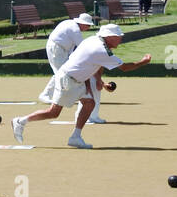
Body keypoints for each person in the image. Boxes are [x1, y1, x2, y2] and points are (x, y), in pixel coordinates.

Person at [12, 24, 151, 148]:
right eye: (118, 36)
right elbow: (125, 67)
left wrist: (98, 83)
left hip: (77, 79)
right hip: (67, 80)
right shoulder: (101, 50)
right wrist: (143, 62)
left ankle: (75, 137)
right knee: (53, 112)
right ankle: (20, 121)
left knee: (89, 103)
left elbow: (90, 64)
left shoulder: (93, 40)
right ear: (109, 37)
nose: (120, 39)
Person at [44, 10, 105, 123]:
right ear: (81, 23)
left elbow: (75, 51)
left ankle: (47, 93)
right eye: (87, 25)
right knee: (62, 73)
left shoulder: (69, 23)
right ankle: (50, 95)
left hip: (59, 49)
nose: (87, 28)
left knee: (61, 72)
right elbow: (83, 49)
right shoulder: (75, 30)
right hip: (57, 49)